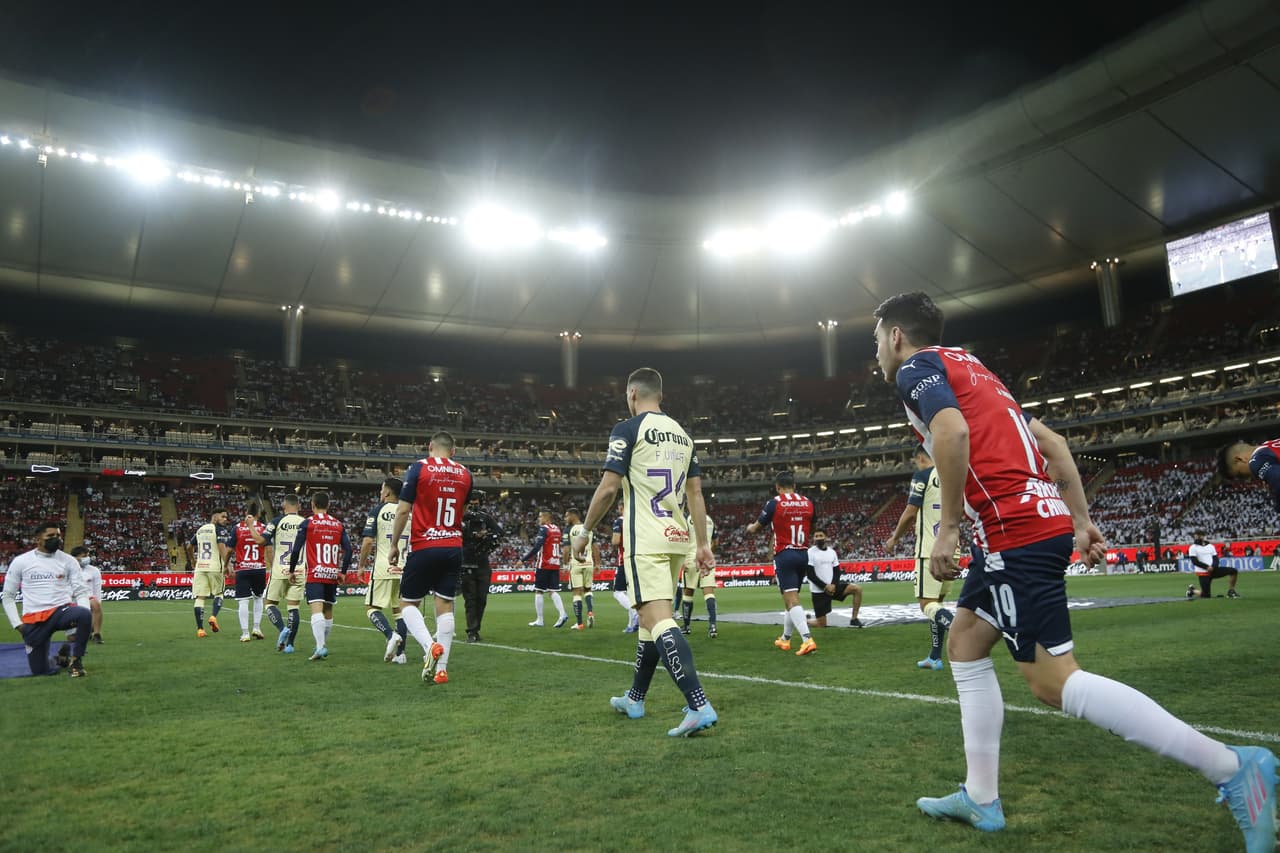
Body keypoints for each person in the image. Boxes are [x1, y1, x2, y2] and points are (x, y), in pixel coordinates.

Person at [873, 291, 1275, 846]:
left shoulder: (917, 367)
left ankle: (1232, 767)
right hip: (1036, 519)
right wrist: (1081, 521)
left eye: (876, 339)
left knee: (1053, 681)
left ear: (896, 335)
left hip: (1012, 528)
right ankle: (981, 797)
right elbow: (1054, 442)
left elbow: (953, 432)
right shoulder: (980, 371)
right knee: (964, 644)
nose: (877, 351)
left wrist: (946, 529)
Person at [582, 367, 717, 737]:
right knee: (649, 621)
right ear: (661, 395)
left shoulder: (627, 429)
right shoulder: (683, 436)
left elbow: (609, 488)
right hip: (678, 537)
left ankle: (697, 704)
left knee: (658, 620)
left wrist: (585, 532)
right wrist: (702, 544)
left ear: (631, 395)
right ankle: (636, 698)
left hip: (645, 538)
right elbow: (696, 495)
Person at [389, 431, 472, 685]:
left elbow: (403, 510)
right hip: (453, 546)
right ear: (454, 451)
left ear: (430, 447)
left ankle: (429, 647)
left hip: (425, 544)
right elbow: (462, 510)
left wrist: (394, 545)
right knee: (444, 606)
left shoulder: (419, 468)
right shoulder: (466, 474)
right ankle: (442, 670)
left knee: (407, 605)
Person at [884, 445, 956, 669]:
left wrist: (895, 538)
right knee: (938, 604)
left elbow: (910, 512)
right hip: (952, 548)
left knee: (926, 605)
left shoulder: (923, 476)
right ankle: (935, 656)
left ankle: (958, 628)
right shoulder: (952, 473)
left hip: (929, 551)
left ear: (921, 457)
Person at [3, 522, 91, 677]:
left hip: (60, 611)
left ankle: (76, 661)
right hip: (34, 618)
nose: (56, 539)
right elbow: (8, 596)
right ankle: (60, 659)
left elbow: (81, 591)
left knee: (83, 614)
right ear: (38, 539)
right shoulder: (21, 562)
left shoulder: (69, 561)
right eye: (50, 536)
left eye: (58, 535)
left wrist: (85, 614)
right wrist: (18, 625)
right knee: (40, 671)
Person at [745, 471, 818, 656]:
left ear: (777, 487)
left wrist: (749, 528)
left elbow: (756, 528)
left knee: (792, 600)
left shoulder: (774, 503)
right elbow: (813, 526)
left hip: (785, 554)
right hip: (803, 554)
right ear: (795, 485)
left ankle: (807, 639)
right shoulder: (808, 503)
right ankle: (785, 639)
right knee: (790, 600)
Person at [287, 491, 353, 661]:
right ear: (328, 505)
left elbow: (296, 549)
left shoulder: (308, 523)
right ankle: (321, 645)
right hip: (332, 573)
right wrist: (343, 571)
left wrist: (292, 570)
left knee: (316, 610)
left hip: (315, 573)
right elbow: (349, 550)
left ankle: (320, 646)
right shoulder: (338, 524)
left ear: (312, 505)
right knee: (328, 610)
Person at [359, 477, 409, 662]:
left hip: (383, 567)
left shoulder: (378, 510)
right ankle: (401, 654)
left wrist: (361, 565)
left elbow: (367, 541)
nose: (380, 493)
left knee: (371, 607)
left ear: (387, 492)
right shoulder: (408, 512)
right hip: (403, 568)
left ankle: (390, 635)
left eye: (382, 490)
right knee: (400, 611)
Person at [254, 493, 306, 653]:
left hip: (279, 570)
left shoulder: (276, 521)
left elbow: (261, 541)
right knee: (293, 608)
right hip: (299, 570)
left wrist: (251, 525)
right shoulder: (306, 522)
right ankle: (290, 645)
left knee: (269, 603)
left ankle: (282, 629)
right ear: (299, 506)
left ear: (284, 506)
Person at [460, 494, 502, 643]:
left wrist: (486, 535)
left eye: (476, 504)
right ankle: (472, 631)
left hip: (483, 562)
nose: (473, 508)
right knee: (470, 599)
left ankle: (475, 629)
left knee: (481, 599)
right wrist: (470, 535)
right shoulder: (460, 518)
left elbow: (499, 533)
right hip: (466, 561)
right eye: (470, 505)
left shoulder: (486, 518)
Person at [185, 507, 231, 638]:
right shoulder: (219, 530)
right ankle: (213, 617)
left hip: (200, 567)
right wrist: (228, 565)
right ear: (215, 517)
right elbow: (222, 548)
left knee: (200, 598)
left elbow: (189, 547)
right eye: (223, 517)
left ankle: (200, 629)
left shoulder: (200, 529)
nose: (225, 520)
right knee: (219, 593)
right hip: (215, 567)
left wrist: (192, 561)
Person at [804, 530, 862, 629]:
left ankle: (854, 619)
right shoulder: (810, 552)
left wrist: (833, 585)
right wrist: (825, 586)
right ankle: (804, 620)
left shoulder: (832, 552)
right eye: (816, 536)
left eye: (821, 535)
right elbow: (810, 575)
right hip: (819, 591)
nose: (818, 538)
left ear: (826, 537)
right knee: (821, 625)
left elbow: (836, 571)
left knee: (857, 589)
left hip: (832, 588)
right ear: (813, 539)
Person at [229, 500, 268, 642]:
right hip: (259, 568)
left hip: (242, 568)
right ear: (258, 514)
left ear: (246, 513)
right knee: (258, 598)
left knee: (243, 602)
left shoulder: (237, 528)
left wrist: (227, 564)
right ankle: (256, 628)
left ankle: (245, 633)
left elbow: (228, 549)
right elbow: (268, 546)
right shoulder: (264, 528)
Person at [522, 509, 568, 628]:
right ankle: (562, 614)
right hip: (555, 563)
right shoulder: (557, 529)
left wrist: (523, 559)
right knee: (552, 591)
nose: (539, 519)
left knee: (539, 591)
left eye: (540, 517)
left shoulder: (544, 529)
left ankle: (540, 620)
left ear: (547, 518)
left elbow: (538, 546)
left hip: (544, 564)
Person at [678, 509, 719, 637]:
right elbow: (716, 541)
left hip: (691, 558)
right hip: (707, 558)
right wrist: (708, 552)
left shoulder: (687, 519)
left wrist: (682, 559)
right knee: (709, 593)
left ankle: (686, 626)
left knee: (688, 592)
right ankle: (712, 627)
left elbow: (683, 539)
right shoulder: (710, 520)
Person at [1218, 439, 1280, 513]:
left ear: (1240, 459)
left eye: (1241, 475)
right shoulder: (1271, 444)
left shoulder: (1256, 461)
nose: (1248, 480)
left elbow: (1277, 478)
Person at [564, 506, 599, 630]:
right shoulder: (588, 528)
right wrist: (598, 563)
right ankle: (590, 612)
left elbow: (567, 549)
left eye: (567, 515)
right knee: (588, 590)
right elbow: (595, 547)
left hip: (576, 563)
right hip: (589, 563)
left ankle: (579, 624)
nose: (565, 518)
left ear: (574, 516)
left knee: (576, 592)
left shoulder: (569, 529)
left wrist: (564, 563)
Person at [611, 504, 639, 633]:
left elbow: (616, 541)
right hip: (638, 559)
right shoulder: (637, 519)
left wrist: (613, 540)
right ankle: (631, 625)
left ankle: (635, 613)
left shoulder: (620, 521)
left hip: (625, 560)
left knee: (617, 592)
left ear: (621, 507)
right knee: (630, 593)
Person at [1186, 532, 1238, 599]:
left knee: (1233, 571)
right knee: (1206, 595)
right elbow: (1195, 561)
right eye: (1196, 536)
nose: (1197, 538)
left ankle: (1231, 591)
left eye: (1199, 536)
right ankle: (1192, 591)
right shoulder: (1192, 547)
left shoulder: (1210, 546)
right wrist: (1207, 567)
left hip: (1213, 570)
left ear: (1203, 536)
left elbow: (1215, 558)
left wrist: (1213, 567)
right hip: (1203, 572)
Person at [69, 545, 105, 644]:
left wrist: (98, 603)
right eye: (84, 556)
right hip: (72, 599)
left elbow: (97, 588)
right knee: (72, 639)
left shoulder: (94, 570)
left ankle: (96, 634)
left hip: (87, 596)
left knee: (95, 604)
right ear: (74, 558)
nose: (87, 558)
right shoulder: (67, 570)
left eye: (87, 555)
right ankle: (85, 630)